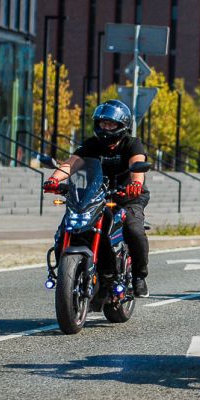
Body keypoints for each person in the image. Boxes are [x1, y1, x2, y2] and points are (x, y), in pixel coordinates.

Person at [42, 100, 151, 297]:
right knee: (67, 227)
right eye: (102, 123)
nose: (106, 128)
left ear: (122, 125)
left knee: (134, 229)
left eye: (111, 124)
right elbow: (72, 163)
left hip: (126, 197)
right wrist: (54, 179)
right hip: (95, 195)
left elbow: (138, 163)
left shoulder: (132, 143)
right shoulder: (92, 144)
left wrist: (135, 184)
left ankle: (138, 276)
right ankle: (67, 274)